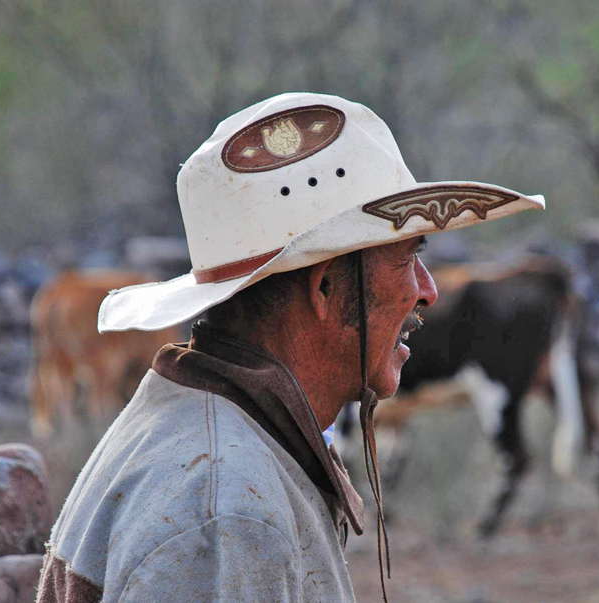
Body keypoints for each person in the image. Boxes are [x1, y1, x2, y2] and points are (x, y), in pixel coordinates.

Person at [35, 93, 544, 602]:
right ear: (324, 288)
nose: (428, 290)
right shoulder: (229, 514)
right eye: (407, 259)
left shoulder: (206, 446)